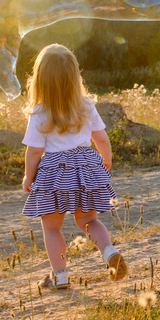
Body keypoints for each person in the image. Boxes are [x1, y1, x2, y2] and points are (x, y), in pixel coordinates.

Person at [21, 44, 127, 288]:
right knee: (89, 221)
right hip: (86, 169)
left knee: (51, 227)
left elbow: (35, 151)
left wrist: (29, 177)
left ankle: (60, 276)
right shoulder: (86, 105)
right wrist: (105, 160)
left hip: (54, 175)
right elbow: (100, 138)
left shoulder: (39, 112)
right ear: (74, 76)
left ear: (40, 79)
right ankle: (109, 251)